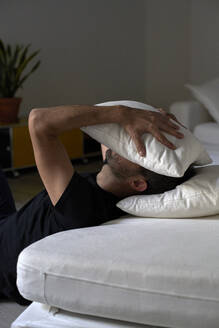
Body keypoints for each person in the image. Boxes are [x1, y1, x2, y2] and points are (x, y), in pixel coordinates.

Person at [0, 103, 191, 304]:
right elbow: (107, 120)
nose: (130, 143)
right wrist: (149, 115)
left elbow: (39, 120)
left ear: (137, 183)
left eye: (139, 150)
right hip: (8, 222)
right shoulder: (115, 186)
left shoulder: (81, 206)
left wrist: (123, 113)